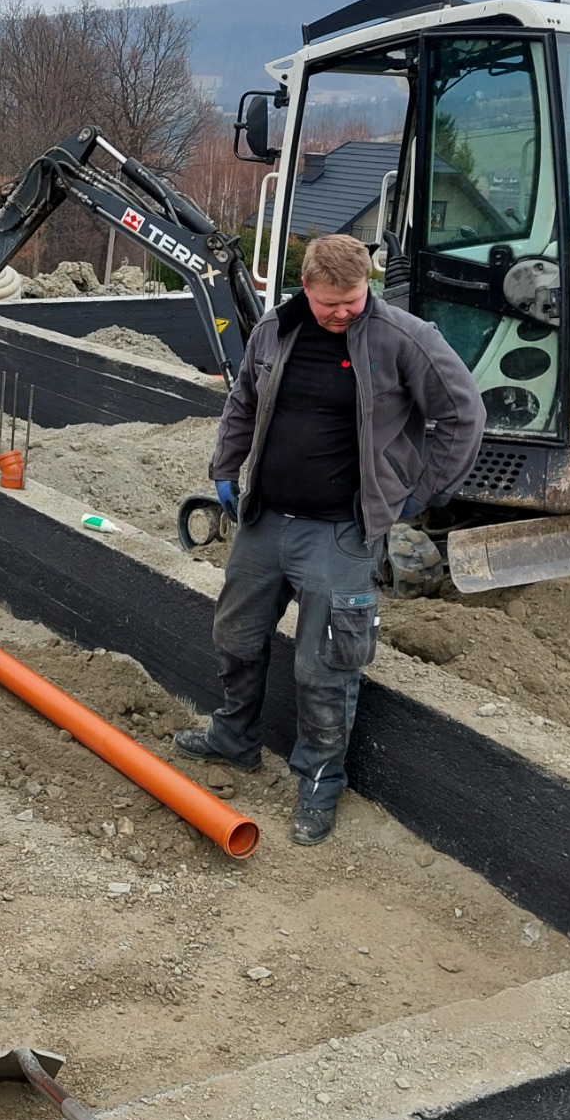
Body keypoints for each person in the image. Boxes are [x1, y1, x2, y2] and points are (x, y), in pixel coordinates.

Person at [176, 233, 484, 845]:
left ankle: (320, 779)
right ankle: (233, 737)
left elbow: (462, 413)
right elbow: (243, 401)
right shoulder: (275, 331)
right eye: (330, 304)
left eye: (353, 299)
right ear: (306, 289)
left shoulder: (403, 337)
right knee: (235, 636)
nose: (344, 312)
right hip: (266, 522)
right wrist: (224, 470)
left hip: (340, 533)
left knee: (327, 666)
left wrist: (421, 493)